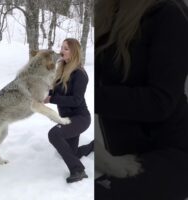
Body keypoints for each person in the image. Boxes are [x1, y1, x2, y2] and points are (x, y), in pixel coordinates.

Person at [95, 0, 188, 199]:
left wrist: (95, 98)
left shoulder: (170, 13)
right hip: (118, 150)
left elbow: (160, 100)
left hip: (168, 151)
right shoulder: (108, 11)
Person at [44, 38, 91, 183]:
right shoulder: (61, 69)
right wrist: (47, 94)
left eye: (66, 48)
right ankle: (95, 146)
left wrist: (52, 100)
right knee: (72, 152)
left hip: (80, 118)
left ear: (74, 52)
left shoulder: (80, 74)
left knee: (54, 134)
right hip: (67, 118)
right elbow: (54, 89)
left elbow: (76, 100)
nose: (61, 51)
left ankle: (78, 170)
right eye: (62, 47)